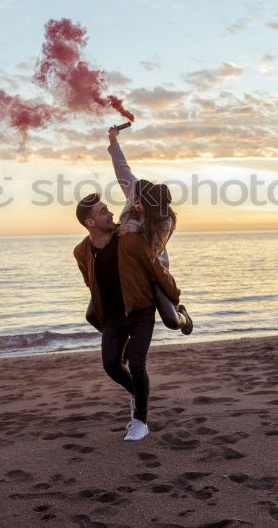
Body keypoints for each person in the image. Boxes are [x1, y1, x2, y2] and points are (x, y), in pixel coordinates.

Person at [73, 193, 181, 441]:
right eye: (103, 211)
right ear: (90, 222)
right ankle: (137, 393)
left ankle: (140, 422)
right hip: (113, 315)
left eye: (107, 209)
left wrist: (175, 298)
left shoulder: (130, 241)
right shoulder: (81, 251)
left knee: (136, 363)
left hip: (141, 310)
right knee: (111, 364)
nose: (110, 213)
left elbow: (158, 270)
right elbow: (90, 282)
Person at [105, 125, 192, 335]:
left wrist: (131, 225)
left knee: (172, 321)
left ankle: (183, 313)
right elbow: (121, 166)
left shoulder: (165, 221)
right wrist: (113, 140)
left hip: (153, 269)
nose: (139, 208)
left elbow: (147, 248)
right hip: (127, 265)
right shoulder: (134, 190)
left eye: (146, 210)